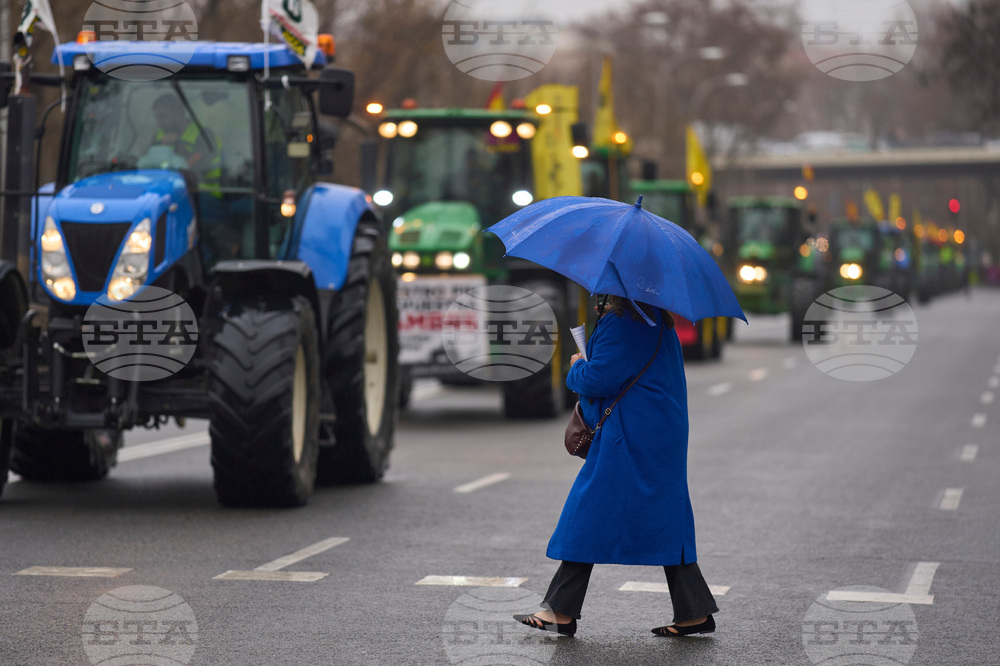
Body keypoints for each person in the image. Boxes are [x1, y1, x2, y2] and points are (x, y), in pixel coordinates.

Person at [514, 295, 718, 637]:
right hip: (658, 430)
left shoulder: (624, 322)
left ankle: (560, 610)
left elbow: (597, 379)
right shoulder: (653, 316)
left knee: (588, 512)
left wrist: (577, 364)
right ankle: (693, 611)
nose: (597, 295)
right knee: (665, 517)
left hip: (630, 435)